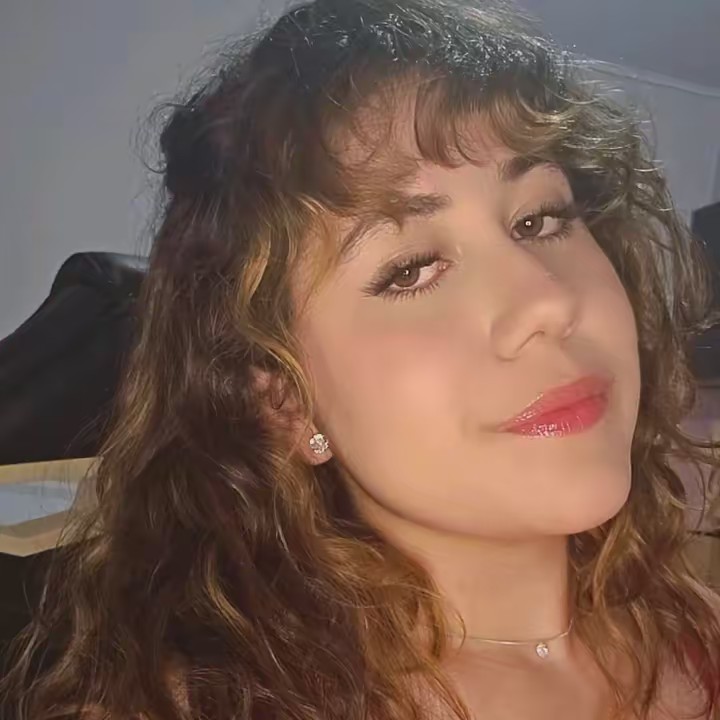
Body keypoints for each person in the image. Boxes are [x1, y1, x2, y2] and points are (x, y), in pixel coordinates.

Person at [3, 0, 720, 718]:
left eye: (539, 219)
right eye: (411, 269)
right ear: (286, 400)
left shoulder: (701, 635)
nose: (547, 301)